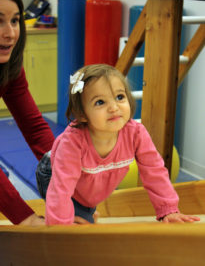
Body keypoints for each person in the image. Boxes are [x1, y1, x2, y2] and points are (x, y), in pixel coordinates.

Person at [37, 64, 200, 225]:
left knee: (85, 211)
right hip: (53, 172)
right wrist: (60, 226)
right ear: (82, 114)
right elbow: (61, 188)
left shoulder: (135, 133)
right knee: (78, 228)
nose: (114, 108)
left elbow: (154, 170)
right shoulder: (73, 142)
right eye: (100, 102)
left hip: (87, 182)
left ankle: (85, 210)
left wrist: (169, 209)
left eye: (120, 97)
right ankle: (79, 212)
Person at [0, 0, 55, 225]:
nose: (10, 33)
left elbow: (35, 129)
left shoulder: (9, 68)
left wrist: (70, 185)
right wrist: (26, 219)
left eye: (15, 21)